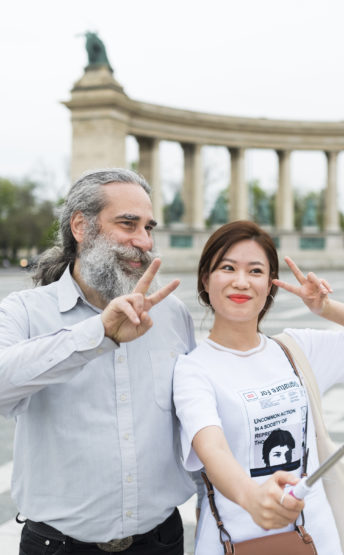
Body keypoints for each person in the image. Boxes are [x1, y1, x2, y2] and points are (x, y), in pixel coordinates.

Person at [173, 220, 344, 554]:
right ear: (205, 279)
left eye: (255, 271)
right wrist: (252, 497)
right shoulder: (193, 368)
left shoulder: (296, 349)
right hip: (235, 542)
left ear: (270, 284)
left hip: (316, 536)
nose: (241, 281)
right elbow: (213, 450)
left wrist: (325, 308)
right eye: (227, 268)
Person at [0, 168, 197, 554]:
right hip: (58, 546)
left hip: (161, 540)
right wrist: (97, 335)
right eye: (128, 224)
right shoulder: (24, 311)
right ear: (80, 226)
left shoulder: (172, 313)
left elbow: (195, 414)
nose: (144, 241)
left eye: (148, 227)